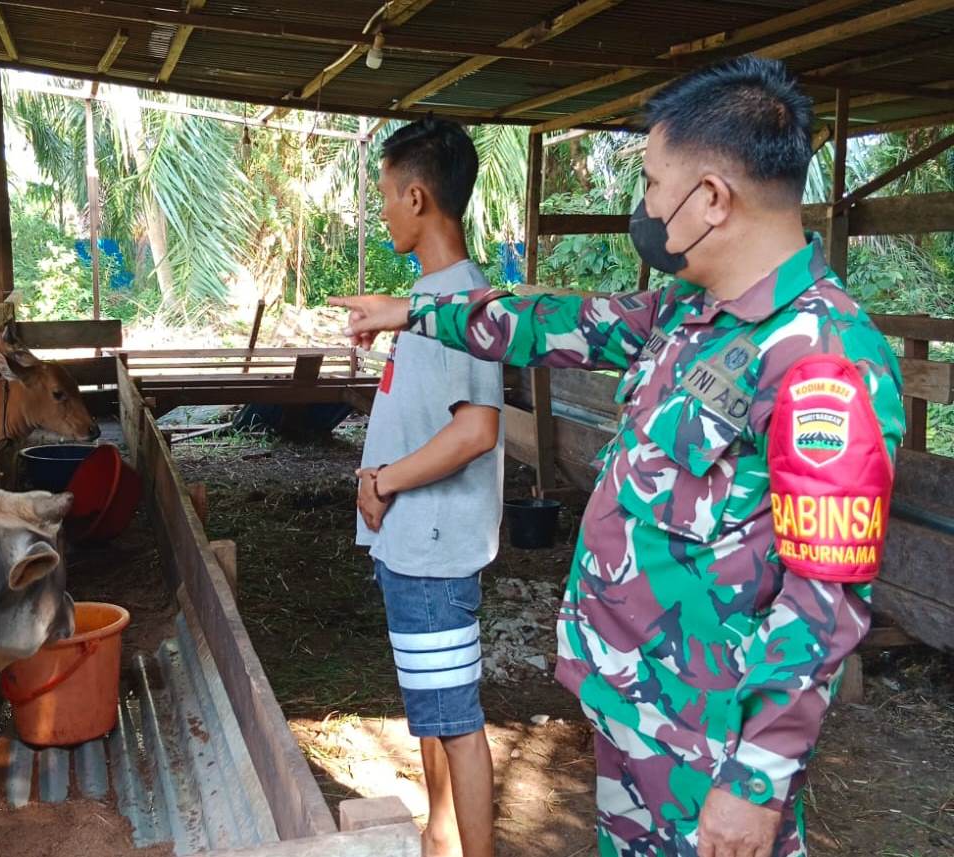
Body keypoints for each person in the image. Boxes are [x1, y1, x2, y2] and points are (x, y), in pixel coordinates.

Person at [332, 56, 905, 857]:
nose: (645, 205)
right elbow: (552, 320)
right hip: (639, 717)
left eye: (651, 182)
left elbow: (825, 598)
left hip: (714, 750)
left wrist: (755, 782)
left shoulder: (824, 361)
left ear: (712, 199)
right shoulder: (689, 313)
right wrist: (413, 310)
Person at [355, 117, 504, 857]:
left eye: (384, 195)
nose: (380, 210)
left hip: (435, 546)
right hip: (413, 543)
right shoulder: (431, 300)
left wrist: (383, 478)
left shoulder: (464, 304)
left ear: (417, 197)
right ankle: (440, 836)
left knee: (458, 720)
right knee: (435, 713)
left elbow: (476, 430)